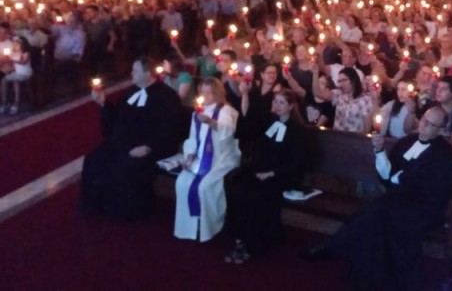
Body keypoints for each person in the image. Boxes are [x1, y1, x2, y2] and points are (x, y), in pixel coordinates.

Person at [302, 106, 452, 291]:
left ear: (440, 130)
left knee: (376, 212)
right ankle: (363, 271)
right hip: (396, 201)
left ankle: (335, 248)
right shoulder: (407, 142)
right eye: (424, 119)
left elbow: (427, 188)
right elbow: (388, 176)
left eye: (431, 124)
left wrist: (398, 180)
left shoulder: (445, 155)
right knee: (377, 215)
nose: (424, 125)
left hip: (422, 208)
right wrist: (379, 150)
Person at [80, 57, 184, 220]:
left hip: (150, 147)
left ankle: (125, 213)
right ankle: (96, 206)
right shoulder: (131, 92)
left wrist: (148, 147)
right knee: (94, 159)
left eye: (135, 70)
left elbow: (169, 129)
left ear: (148, 74)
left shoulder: (167, 97)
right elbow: (117, 120)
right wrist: (103, 103)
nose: (131, 73)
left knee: (125, 165)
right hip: (123, 143)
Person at [225, 89, 306, 263]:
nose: (276, 106)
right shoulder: (268, 121)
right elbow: (246, 132)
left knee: (255, 195)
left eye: (281, 103)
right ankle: (239, 237)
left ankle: (252, 245)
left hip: (281, 175)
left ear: (291, 106)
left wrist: (271, 173)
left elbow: (297, 162)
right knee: (236, 187)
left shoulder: (297, 130)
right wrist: (245, 97)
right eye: (275, 101)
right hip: (260, 171)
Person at [174, 77, 241, 242]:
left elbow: (227, 130)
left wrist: (211, 122)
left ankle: (209, 226)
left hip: (222, 158)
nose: (205, 96)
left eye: (208, 93)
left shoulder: (226, 111)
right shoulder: (197, 113)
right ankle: (189, 226)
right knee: (182, 183)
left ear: (217, 94)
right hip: (199, 157)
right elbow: (192, 137)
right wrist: (189, 155)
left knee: (204, 188)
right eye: (202, 92)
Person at [313, 65, 375, 133]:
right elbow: (317, 93)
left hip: (355, 139)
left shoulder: (365, 100)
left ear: (353, 80)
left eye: (344, 80)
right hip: (337, 137)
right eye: (340, 81)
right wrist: (315, 73)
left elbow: (367, 128)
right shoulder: (338, 94)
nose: (342, 84)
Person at [0, 36, 32, 114]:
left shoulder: (26, 53)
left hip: (25, 73)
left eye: (17, 45)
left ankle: (4, 102)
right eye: (14, 45)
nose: (15, 46)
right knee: (14, 81)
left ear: (22, 45)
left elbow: (23, 62)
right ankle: (15, 102)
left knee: (4, 80)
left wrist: (12, 60)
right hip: (17, 74)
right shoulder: (13, 54)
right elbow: (14, 67)